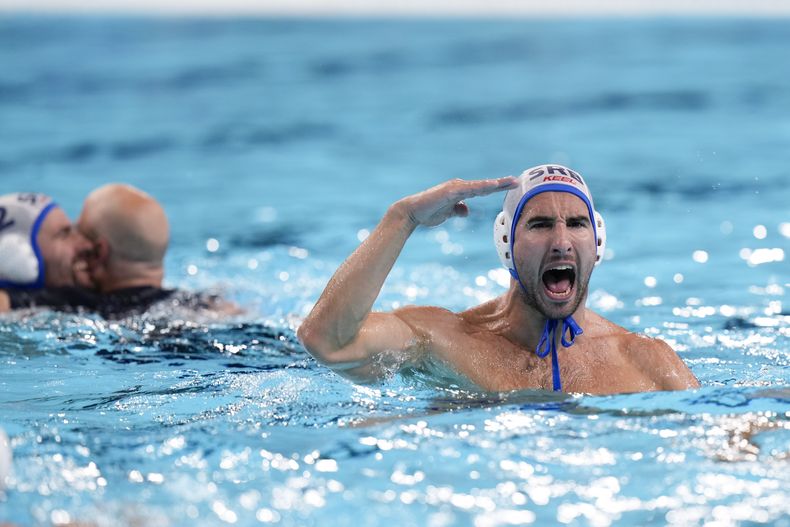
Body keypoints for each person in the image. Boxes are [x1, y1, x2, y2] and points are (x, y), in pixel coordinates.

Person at [298, 164, 700, 394]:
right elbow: (328, 342)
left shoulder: (647, 361)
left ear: (597, 241)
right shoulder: (442, 340)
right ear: (507, 242)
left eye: (576, 224)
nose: (561, 242)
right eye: (540, 225)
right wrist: (402, 218)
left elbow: (721, 427)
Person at [1, 184, 223, 318]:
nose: (80, 244)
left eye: (77, 231)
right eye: (66, 233)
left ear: (98, 253)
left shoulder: (76, 304)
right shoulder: (203, 302)